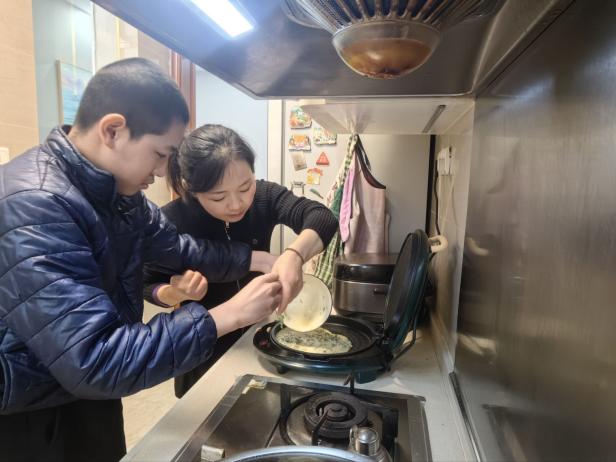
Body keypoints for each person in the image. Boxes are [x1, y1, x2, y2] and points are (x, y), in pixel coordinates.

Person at [0, 58, 282, 462]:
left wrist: (260, 259)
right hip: (30, 412)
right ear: (113, 130)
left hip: (83, 392)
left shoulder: (118, 195)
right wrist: (227, 315)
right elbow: (95, 358)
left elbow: (179, 248)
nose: (164, 170)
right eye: (160, 153)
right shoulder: (36, 204)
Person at [143, 124, 338, 398]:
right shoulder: (171, 220)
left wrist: (294, 255)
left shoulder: (264, 196)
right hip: (205, 348)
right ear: (191, 188)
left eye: (245, 187)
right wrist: (175, 293)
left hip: (259, 337)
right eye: (218, 197)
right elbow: (147, 282)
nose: (236, 204)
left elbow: (322, 217)